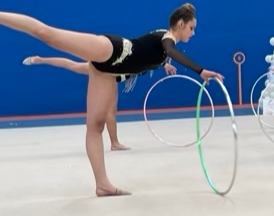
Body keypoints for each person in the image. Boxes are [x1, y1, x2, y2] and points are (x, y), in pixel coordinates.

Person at [0, 2, 224, 197]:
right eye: (192, 28)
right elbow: (166, 50)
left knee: (96, 126)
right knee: (47, 33)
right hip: (111, 51)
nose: (193, 33)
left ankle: (102, 184)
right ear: (181, 24)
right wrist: (200, 70)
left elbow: (158, 54)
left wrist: (164, 65)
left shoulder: (164, 45)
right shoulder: (167, 39)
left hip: (107, 70)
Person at [21, 54, 178, 151]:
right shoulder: (149, 57)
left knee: (74, 66)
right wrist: (165, 64)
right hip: (108, 73)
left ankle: (40, 59)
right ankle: (115, 143)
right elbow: (148, 57)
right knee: (110, 112)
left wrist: (164, 64)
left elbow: (151, 60)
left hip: (111, 74)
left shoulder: (151, 61)